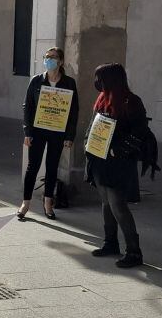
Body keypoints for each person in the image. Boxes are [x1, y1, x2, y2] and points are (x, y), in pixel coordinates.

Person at [86, 63, 147, 268]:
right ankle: (110, 243)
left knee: (118, 205)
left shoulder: (132, 102)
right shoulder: (102, 99)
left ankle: (134, 252)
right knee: (105, 202)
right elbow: (93, 125)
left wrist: (119, 149)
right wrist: (89, 143)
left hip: (118, 162)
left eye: (100, 78)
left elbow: (140, 133)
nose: (97, 83)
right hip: (100, 160)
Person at [19, 48, 78, 220]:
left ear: (60, 62)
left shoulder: (69, 83)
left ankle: (48, 202)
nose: (48, 60)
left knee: (52, 167)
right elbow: (27, 107)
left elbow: (74, 111)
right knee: (33, 167)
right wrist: (27, 132)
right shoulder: (36, 81)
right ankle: (26, 203)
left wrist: (69, 136)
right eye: (46, 57)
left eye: (52, 57)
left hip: (58, 131)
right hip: (37, 130)